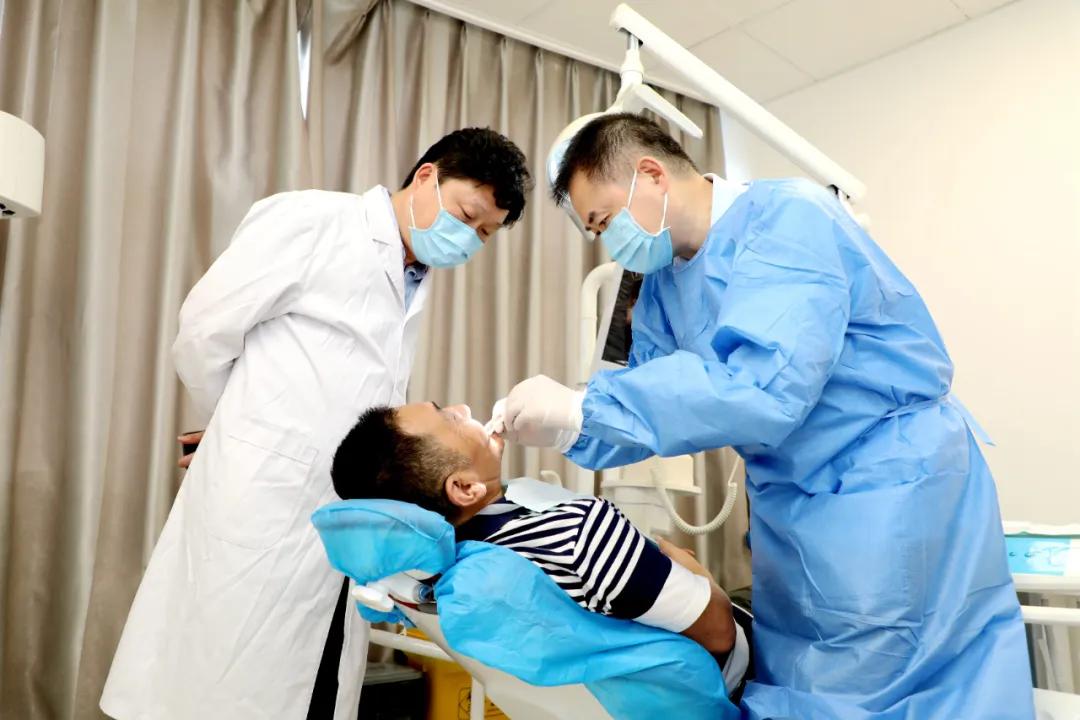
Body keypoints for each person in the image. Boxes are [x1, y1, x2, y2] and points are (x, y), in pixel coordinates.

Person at [501, 113, 1034, 719]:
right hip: (788, 507)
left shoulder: (790, 218)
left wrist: (582, 407)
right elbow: (643, 406)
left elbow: (765, 389)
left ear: (650, 174)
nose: (609, 241)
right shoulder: (661, 289)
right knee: (800, 679)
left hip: (885, 480)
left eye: (605, 220)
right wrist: (566, 424)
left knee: (892, 681)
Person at [100, 129, 532, 720]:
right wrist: (237, 425)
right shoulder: (315, 221)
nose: (470, 238)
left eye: (484, 233)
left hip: (338, 518)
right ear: (427, 177)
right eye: (466, 215)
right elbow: (202, 333)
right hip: (263, 501)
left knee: (311, 682)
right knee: (218, 677)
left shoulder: (413, 277)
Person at [330, 401, 752, 698]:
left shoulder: (436, 577)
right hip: (737, 668)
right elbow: (720, 631)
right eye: (449, 417)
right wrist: (695, 571)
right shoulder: (580, 535)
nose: (462, 407)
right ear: (464, 488)